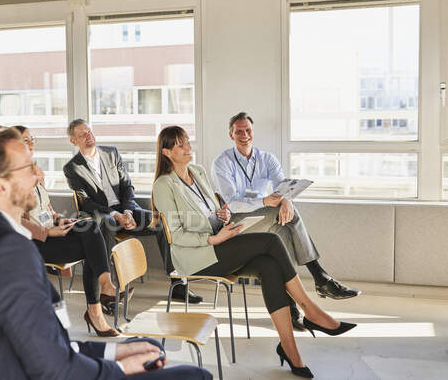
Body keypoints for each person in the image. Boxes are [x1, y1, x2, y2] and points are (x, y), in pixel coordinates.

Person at [0, 126, 212, 380]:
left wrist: (115, 351)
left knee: (148, 347)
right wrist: (118, 368)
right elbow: (54, 369)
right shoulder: (8, 254)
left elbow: (48, 344)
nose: (38, 174)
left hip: (45, 365)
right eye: (28, 167)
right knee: (196, 376)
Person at [152, 126, 357, 378]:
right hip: (197, 258)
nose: (188, 147)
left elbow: (212, 212)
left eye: (187, 142)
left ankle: (290, 348)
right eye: (181, 144)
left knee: (268, 266)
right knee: (270, 242)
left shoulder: (198, 171)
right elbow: (177, 234)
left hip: (220, 241)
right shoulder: (164, 185)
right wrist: (213, 238)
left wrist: (222, 216)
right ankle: (310, 309)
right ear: (167, 152)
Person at [210, 112, 360, 329]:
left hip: (265, 218)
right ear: (231, 135)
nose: (244, 135)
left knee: (281, 232)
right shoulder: (222, 162)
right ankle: (321, 278)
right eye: (239, 131)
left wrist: (287, 199)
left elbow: (283, 186)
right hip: (236, 223)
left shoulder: (267, 158)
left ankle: (291, 307)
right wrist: (265, 200)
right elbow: (232, 202)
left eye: (248, 130)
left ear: (253, 132)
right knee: (284, 219)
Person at [63, 119, 202, 304]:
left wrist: (128, 211)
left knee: (162, 222)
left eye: (89, 131)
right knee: (107, 223)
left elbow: (127, 185)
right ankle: (108, 291)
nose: (88, 136)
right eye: (82, 134)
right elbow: (86, 203)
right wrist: (116, 215)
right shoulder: (72, 168)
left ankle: (178, 285)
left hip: (126, 209)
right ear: (74, 141)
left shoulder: (111, 153)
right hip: (104, 216)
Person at [14, 125, 120, 336]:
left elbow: (46, 208)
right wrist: (48, 233)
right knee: (93, 247)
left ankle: (103, 290)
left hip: (50, 230)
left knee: (89, 224)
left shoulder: (34, 171)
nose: (31, 143)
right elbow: (14, 220)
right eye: (25, 140)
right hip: (33, 242)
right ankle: (99, 304)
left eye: (31, 139)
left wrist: (59, 220)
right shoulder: (7, 178)